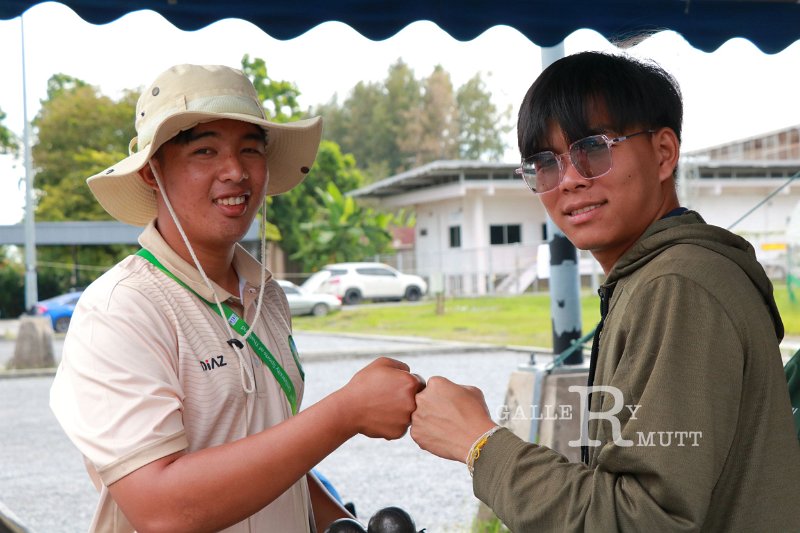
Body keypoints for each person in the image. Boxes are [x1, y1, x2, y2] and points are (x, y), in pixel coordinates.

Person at [410, 51, 800, 531]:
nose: (570, 180)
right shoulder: (656, 276)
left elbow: (644, 520)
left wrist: (480, 444)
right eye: (544, 163)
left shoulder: (677, 286)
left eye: (592, 148)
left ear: (663, 153)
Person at [50, 64, 424, 533]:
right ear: (152, 173)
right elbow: (162, 509)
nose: (235, 171)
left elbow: (269, 454)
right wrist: (345, 412)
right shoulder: (122, 309)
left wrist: (340, 523)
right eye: (205, 150)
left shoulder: (265, 296)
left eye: (250, 149)